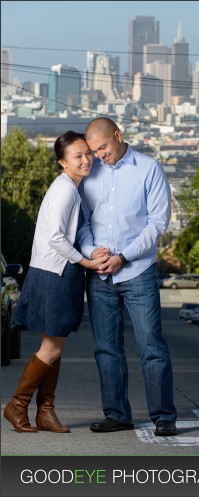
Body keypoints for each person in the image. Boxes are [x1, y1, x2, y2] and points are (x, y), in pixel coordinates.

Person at [77, 117, 177, 436]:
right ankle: (117, 414)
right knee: (107, 349)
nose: (99, 155)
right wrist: (93, 253)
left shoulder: (149, 169)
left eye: (103, 147)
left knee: (151, 346)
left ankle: (163, 416)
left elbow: (157, 224)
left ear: (118, 136)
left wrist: (123, 257)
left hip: (138, 271)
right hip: (100, 275)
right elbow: (82, 223)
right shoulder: (89, 174)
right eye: (93, 150)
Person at [3, 132, 109, 433]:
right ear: (63, 163)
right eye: (78, 156)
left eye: (88, 153)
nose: (87, 159)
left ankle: (45, 412)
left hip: (54, 272)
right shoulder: (65, 190)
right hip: (55, 274)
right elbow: (56, 238)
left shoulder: (70, 187)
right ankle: (17, 406)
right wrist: (86, 261)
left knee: (54, 347)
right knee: (50, 348)